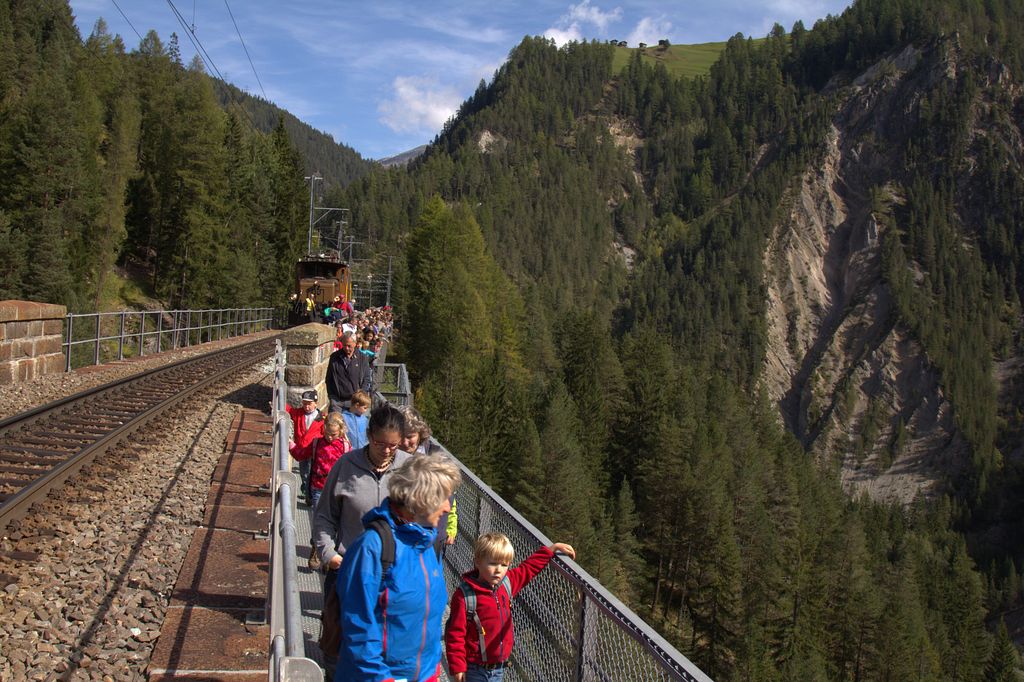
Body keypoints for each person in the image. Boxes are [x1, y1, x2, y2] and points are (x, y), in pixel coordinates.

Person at [335, 454, 461, 682]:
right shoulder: (372, 548)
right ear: (422, 497)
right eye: (444, 497)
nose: (446, 507)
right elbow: (358, 627)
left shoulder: (425, 543)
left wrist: (431, 672)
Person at [312, 405, 412, 677]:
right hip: (346, 572)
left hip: (392, 579)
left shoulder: (409, 469)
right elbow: (324, 516)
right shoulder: (345, 465)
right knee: (339, 648)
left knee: (382, 653)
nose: (387, 450)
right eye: (380, 443)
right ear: (368, 435)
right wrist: (328, 553)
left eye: (393, 445)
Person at [444, 533, 576, 682]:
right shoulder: (465, 596)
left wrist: (550, 550)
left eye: (504, 565)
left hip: (499, 668)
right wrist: (458, 667)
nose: (498, 570)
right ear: (478, 562)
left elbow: (528, 569)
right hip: (475, 668)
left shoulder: (506, 584)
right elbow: (456, 635)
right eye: (493, 563)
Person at [292, 413, 351, 569]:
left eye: (334, 435)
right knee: (319, 521)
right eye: (327, 434)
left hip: (337, 489)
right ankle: (316, 549)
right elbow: (301, 454)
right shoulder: (317, 443)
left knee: (336, 522)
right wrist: (291, 445)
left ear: (341, 432)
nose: (330, 438)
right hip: (319, 486)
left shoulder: (345, 446)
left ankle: (328, 554)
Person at [286, 389, 324, 503]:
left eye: (309, 403)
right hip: (302, 451)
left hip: (315, 452)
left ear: (315, 403)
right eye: (304, 403)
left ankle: (309, 496)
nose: (306, 406)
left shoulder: (321, 419)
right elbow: (289, 410)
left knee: (313, 474)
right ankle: (307, 491)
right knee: (304, 473)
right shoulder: (298, 413)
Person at [325, 332, 371, 413]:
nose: (346, 348)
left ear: (355, 344)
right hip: (337, 402)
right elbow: (329, 378)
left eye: (349, 346)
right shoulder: (334, 357)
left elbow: (366, 379)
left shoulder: (362, 358)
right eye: (344, 345)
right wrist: (331, 396)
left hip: (355, 403)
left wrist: (361, 395)